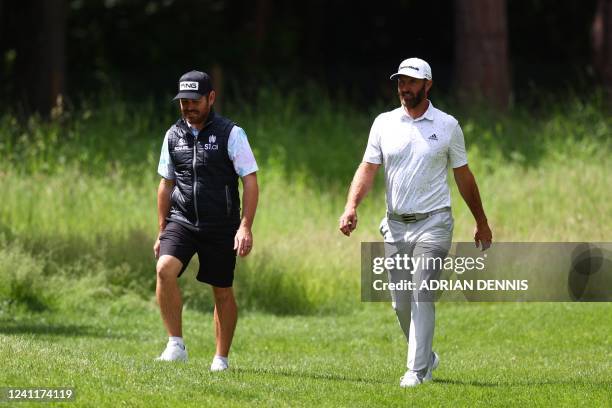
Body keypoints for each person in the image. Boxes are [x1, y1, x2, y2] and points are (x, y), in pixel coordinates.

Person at [339, 58, 492, 387]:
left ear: (428, 85)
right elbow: (367, 169)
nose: (404, 87)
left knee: (423, 292)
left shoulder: (448, 125)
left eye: (411, 82)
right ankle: (427, 356)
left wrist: (481, 221)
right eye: (400, 82)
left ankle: (416, 371)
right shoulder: (384, 123)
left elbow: (464, 177)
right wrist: (351, 206)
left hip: (434, 222)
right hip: (395, 225)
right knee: (400, 302)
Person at [154, 70, 259, 371]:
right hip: (182, 220)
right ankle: (176, 345)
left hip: (221, 225)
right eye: (183, 101)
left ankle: (220, 359)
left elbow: (250, 181)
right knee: (164, 268)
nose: (188, 107)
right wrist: (161, 230)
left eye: (195, 100)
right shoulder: (173, 135)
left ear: (211, 98)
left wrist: (245, 226)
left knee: (222, 291)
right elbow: (166, 183)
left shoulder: (231, 133)